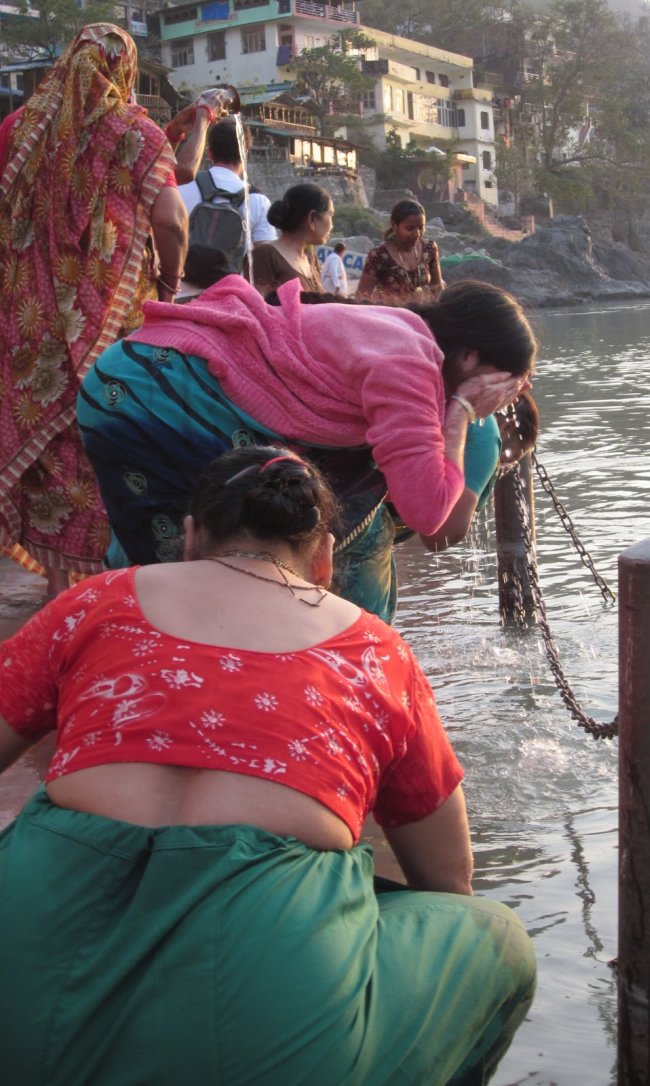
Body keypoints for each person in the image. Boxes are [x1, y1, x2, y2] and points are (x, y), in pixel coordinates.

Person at [0, 444, 536, 1086]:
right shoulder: (373, 649)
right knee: (491, 933)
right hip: (260, 1028)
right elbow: (447, 879)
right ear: (325, 560)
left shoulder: (92, 602)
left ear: (191, 539)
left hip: (26, 976)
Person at [77, 277, 535, 622]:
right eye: (501, 384)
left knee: (184, 560)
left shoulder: (401, 334)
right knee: (180, 571)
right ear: (470, 358)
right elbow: (429, 515)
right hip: (149, 397)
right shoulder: (410, 361)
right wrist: (459, 410)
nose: (497, 400)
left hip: (140, 382)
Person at [0, 23, 187, 598]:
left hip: (27, 320)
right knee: (106, 435)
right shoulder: (135, 129)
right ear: (124, 70)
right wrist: (170, 283)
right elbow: (173, 219)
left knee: (50, 454)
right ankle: (110, 590)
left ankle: (61, 593)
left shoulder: (21, 128)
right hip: (111, 312)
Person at [178, 117, 276, 252]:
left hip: (187, 272)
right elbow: (265, 255)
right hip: (237, 273)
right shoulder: (258, 201)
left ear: (209, 153)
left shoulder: (182, 189)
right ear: (245, 154)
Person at [250, 182, 333, 294]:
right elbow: (258, 307)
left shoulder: (310, 258)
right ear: (312, 218)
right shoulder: (265, 255)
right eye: (330, 215)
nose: (331, 225)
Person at [356, 198, 444, 303]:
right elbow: (362, 297)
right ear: (394, 226)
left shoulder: (430, 248)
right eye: (410, 228)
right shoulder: (379, 255)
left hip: (424, 316)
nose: (417, 234)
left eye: (421, 227)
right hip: (391, 317)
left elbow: (437, 289)